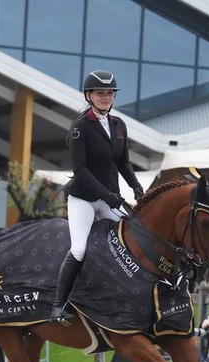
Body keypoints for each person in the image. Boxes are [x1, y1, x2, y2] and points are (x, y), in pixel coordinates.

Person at [49, 70, 144, 324]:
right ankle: (58, 306)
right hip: (84, 199)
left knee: (133, 237)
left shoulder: (119, 125)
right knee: (79, 248)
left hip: (110, 196)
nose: (105, 97)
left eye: (109, 93)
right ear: (89, 95)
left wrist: (136, 187)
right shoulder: (80, 127)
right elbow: (80, 170)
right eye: (100, 93)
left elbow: (123, 161)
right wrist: (106, 195)